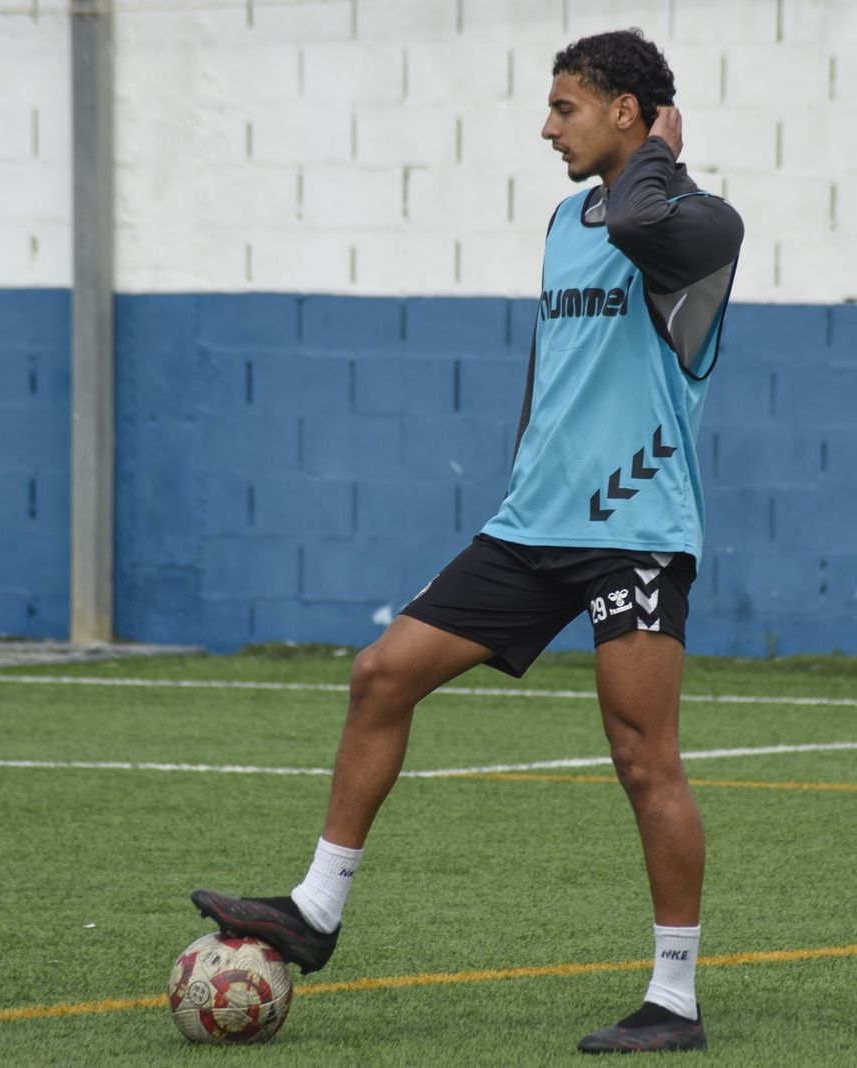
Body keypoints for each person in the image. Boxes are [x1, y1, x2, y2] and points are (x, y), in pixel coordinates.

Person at [192, 28, 742, 1055]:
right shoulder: (560, 218)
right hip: (532, 524)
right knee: (379, 675)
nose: (546, 127)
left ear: (628, 112)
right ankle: (315, 911)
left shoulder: (703, 225)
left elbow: (636, 214)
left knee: (642, 758)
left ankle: (672, 998)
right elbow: (557, 361)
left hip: (635, 529)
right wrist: (525, 475)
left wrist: (659, 151)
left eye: (566, 107)